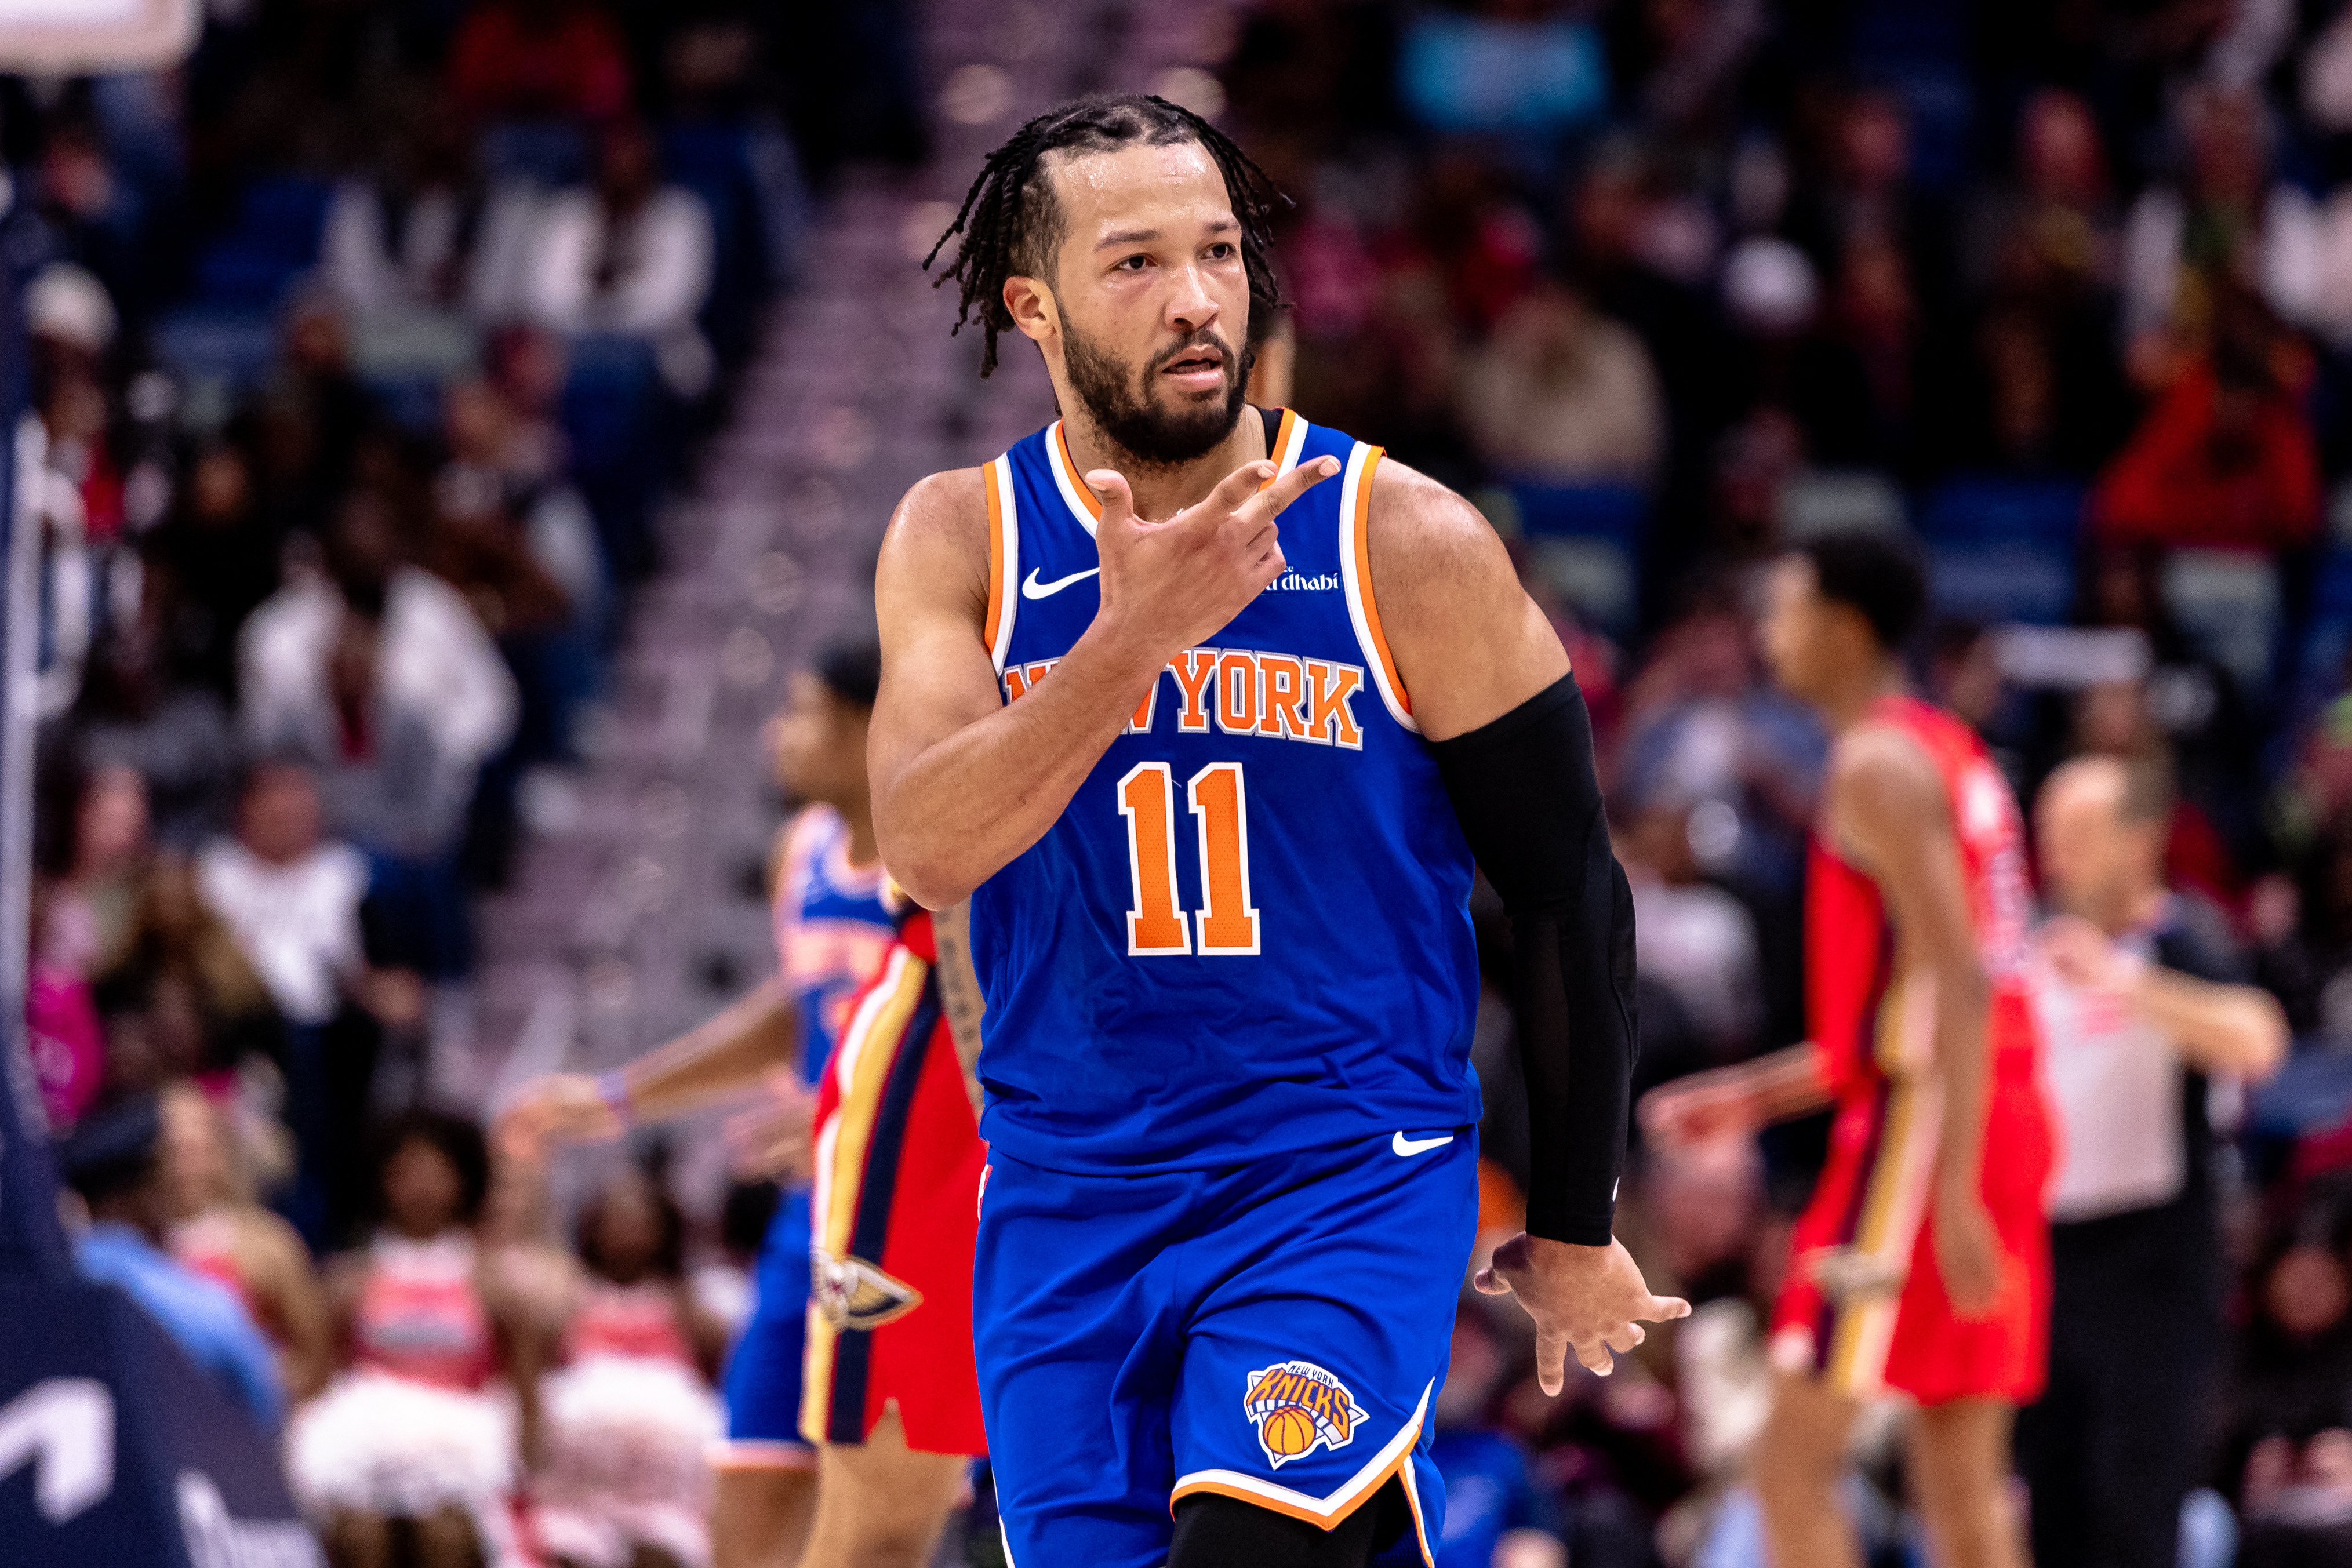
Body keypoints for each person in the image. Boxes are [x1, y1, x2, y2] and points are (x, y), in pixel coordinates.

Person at [875, 94, 1682, 1567]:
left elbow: (1568, 885)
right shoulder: (963, 534)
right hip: (1068, 1187)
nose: (1196, 299)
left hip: (1337, 1170)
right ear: (1032, 305)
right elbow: (928, 846)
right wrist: (1131, 641)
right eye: (1135, 262)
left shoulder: (1403, 539)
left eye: (1218, 252)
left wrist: (1574, 1218)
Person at [501, 642, 980, 1568]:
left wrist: (854, 1107)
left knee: (882, 1535)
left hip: (906, 1210)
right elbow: (791, 1010)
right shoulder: (798, 852)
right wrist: (620, 1097)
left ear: (862, 724)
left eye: (802, 711)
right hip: (806, 1223)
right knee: (748, 1521)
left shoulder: (935, 853)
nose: (778, 734)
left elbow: (976, 1021)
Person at [1641, 531, 2052, 1568]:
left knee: (1788, 1466)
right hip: (1980, 1112)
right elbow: (1902, 1015)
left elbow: (1961, 981)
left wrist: (1950, 1191)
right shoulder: (1942, 748)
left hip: (1923, 1142)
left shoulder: (1873, 764)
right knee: (1958, 1482)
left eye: (1787, 610)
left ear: (1846, 627)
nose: (1769, 634)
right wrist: (1751, 1093)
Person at [2021, 754, 2288, 1567]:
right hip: (2041, 1261)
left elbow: (2256, 1038)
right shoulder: (2029, 944)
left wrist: (2124, 982)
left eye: (2078, 833)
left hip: (2152, 1267)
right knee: (2050, 1511)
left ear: (2140, 840)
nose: (2055, 853)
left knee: (2134, 1511)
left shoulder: (2183, 938)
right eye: (2048, 833)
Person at [288, 1109, 541, 1568]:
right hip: (364, 1458)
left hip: (462, 1462)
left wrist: (519, 1485)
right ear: (383, 1181)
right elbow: (316, 1388)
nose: (422, 1188)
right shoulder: (349, 1282)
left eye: (435, 1173)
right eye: (406, 1174)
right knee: (362, 1538)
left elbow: (525, 1395)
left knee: (444, 1539)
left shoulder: (494, 1287)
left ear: (462, 1181)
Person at [59, 1089, 287, 1429]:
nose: (176, 1183)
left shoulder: (47, 1281)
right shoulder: (198, 1305)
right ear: (141, 1191)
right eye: (164, 1171)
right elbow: (265, 1407)